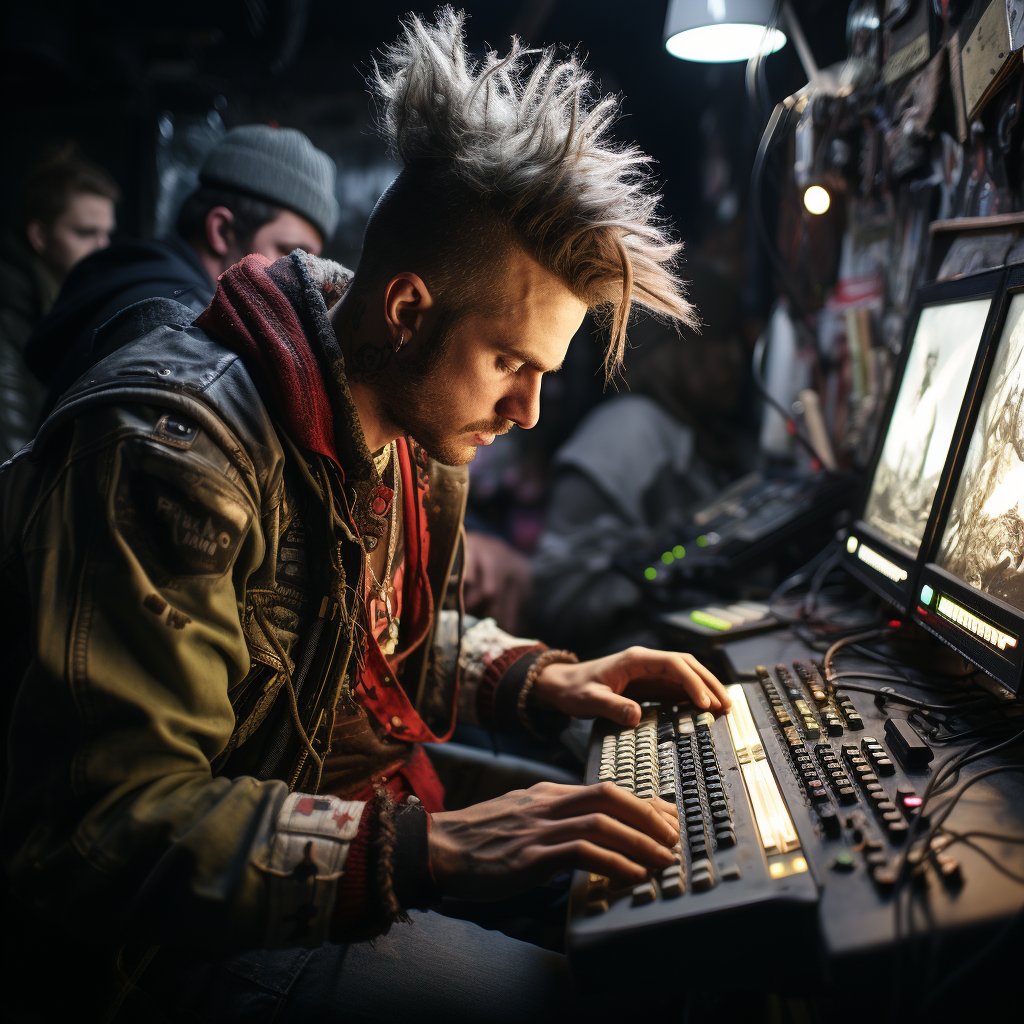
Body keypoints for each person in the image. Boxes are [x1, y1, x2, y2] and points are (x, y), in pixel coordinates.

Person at [0, 12, 730, 1023]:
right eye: (512, 363)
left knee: (665, 920)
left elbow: (363, 645)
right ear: (405, 311)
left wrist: (539, 679)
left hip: (331, 817)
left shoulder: (404, 423)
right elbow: (103, 828)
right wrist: (435, 849)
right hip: (156, 954)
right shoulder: (175, 453)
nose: (525, 409)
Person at [23, 123, 337, 415]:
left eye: (310, 260)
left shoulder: (127, 277)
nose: (300, 274)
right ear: (222, 231)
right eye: (288, 252)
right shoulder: (186, 327)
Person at [533, 262, 750, 657]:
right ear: (674, 345)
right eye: (721, 338)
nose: (736, 358)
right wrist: (663, 577)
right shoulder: (627, 432)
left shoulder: (693, 433)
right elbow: (560, 601)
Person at [0, 145, 118, 461]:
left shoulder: (55, 301)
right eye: (85, 233)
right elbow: (10, 454)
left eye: (107, 235)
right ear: (39, 235)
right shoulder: (11, 308)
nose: (102, 248)